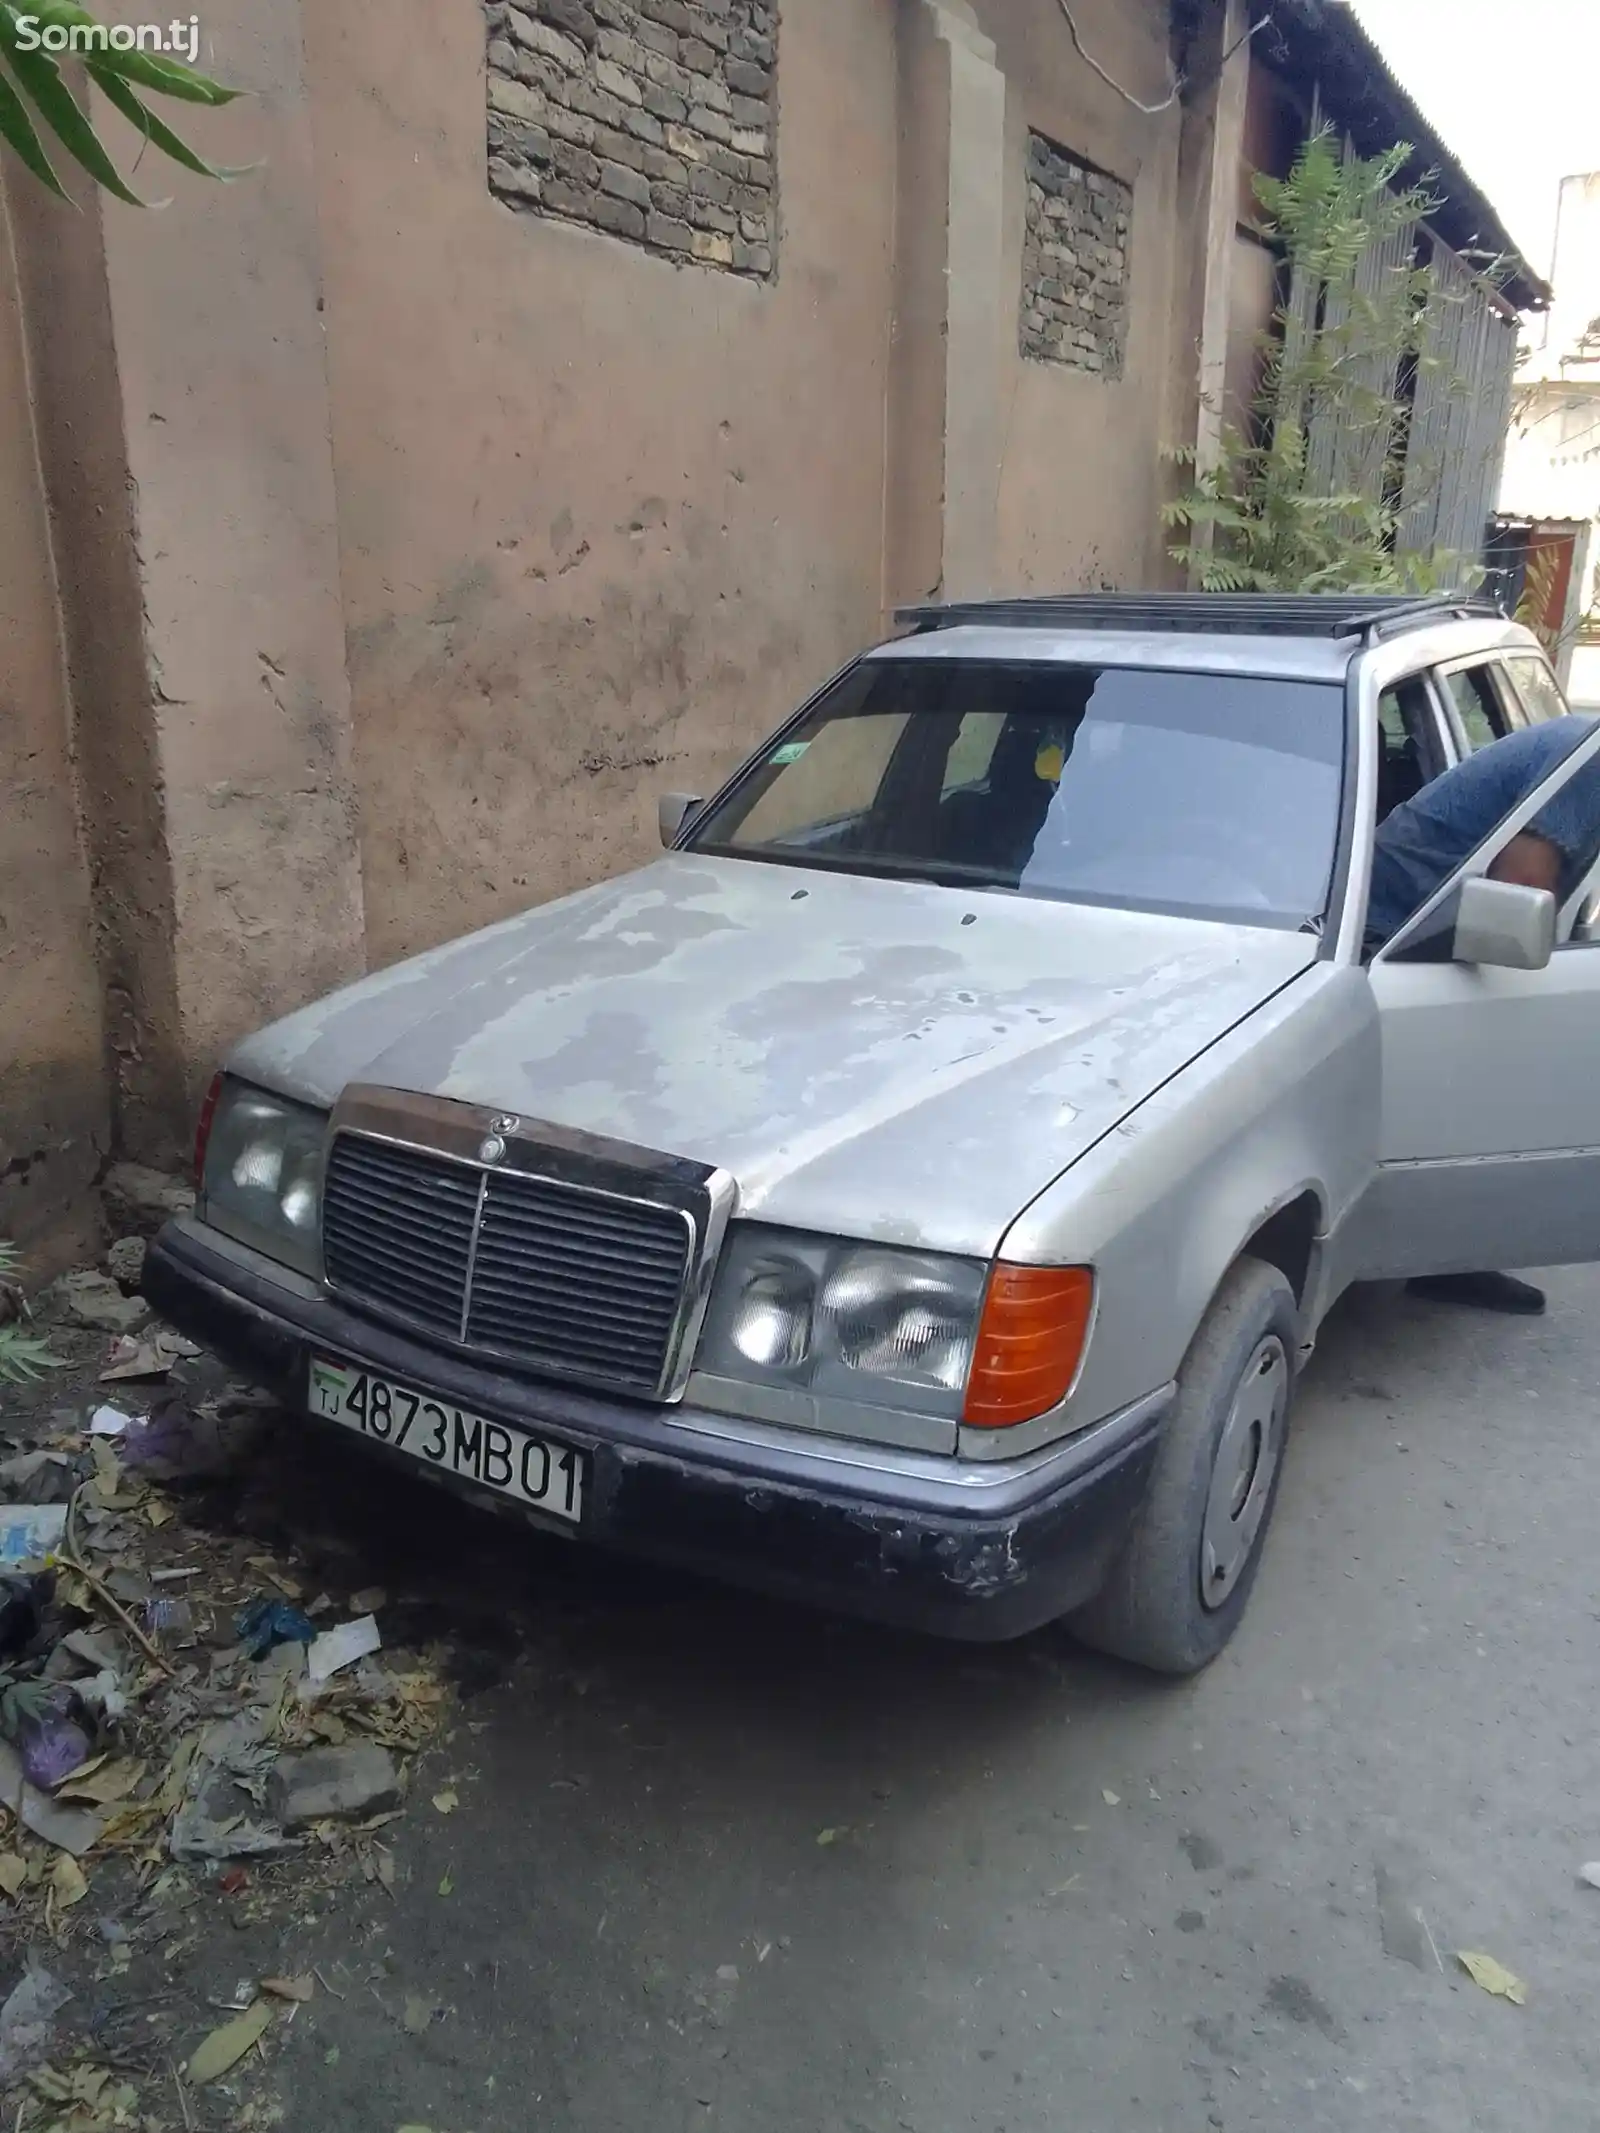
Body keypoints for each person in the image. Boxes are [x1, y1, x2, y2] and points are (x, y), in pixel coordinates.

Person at [1368, 713, 1600, 1315]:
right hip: (1387, 933)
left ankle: (1450, 1253)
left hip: (1435, 920)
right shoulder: (1590, 760)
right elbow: (1521, 887)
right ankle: (1434, 1251)